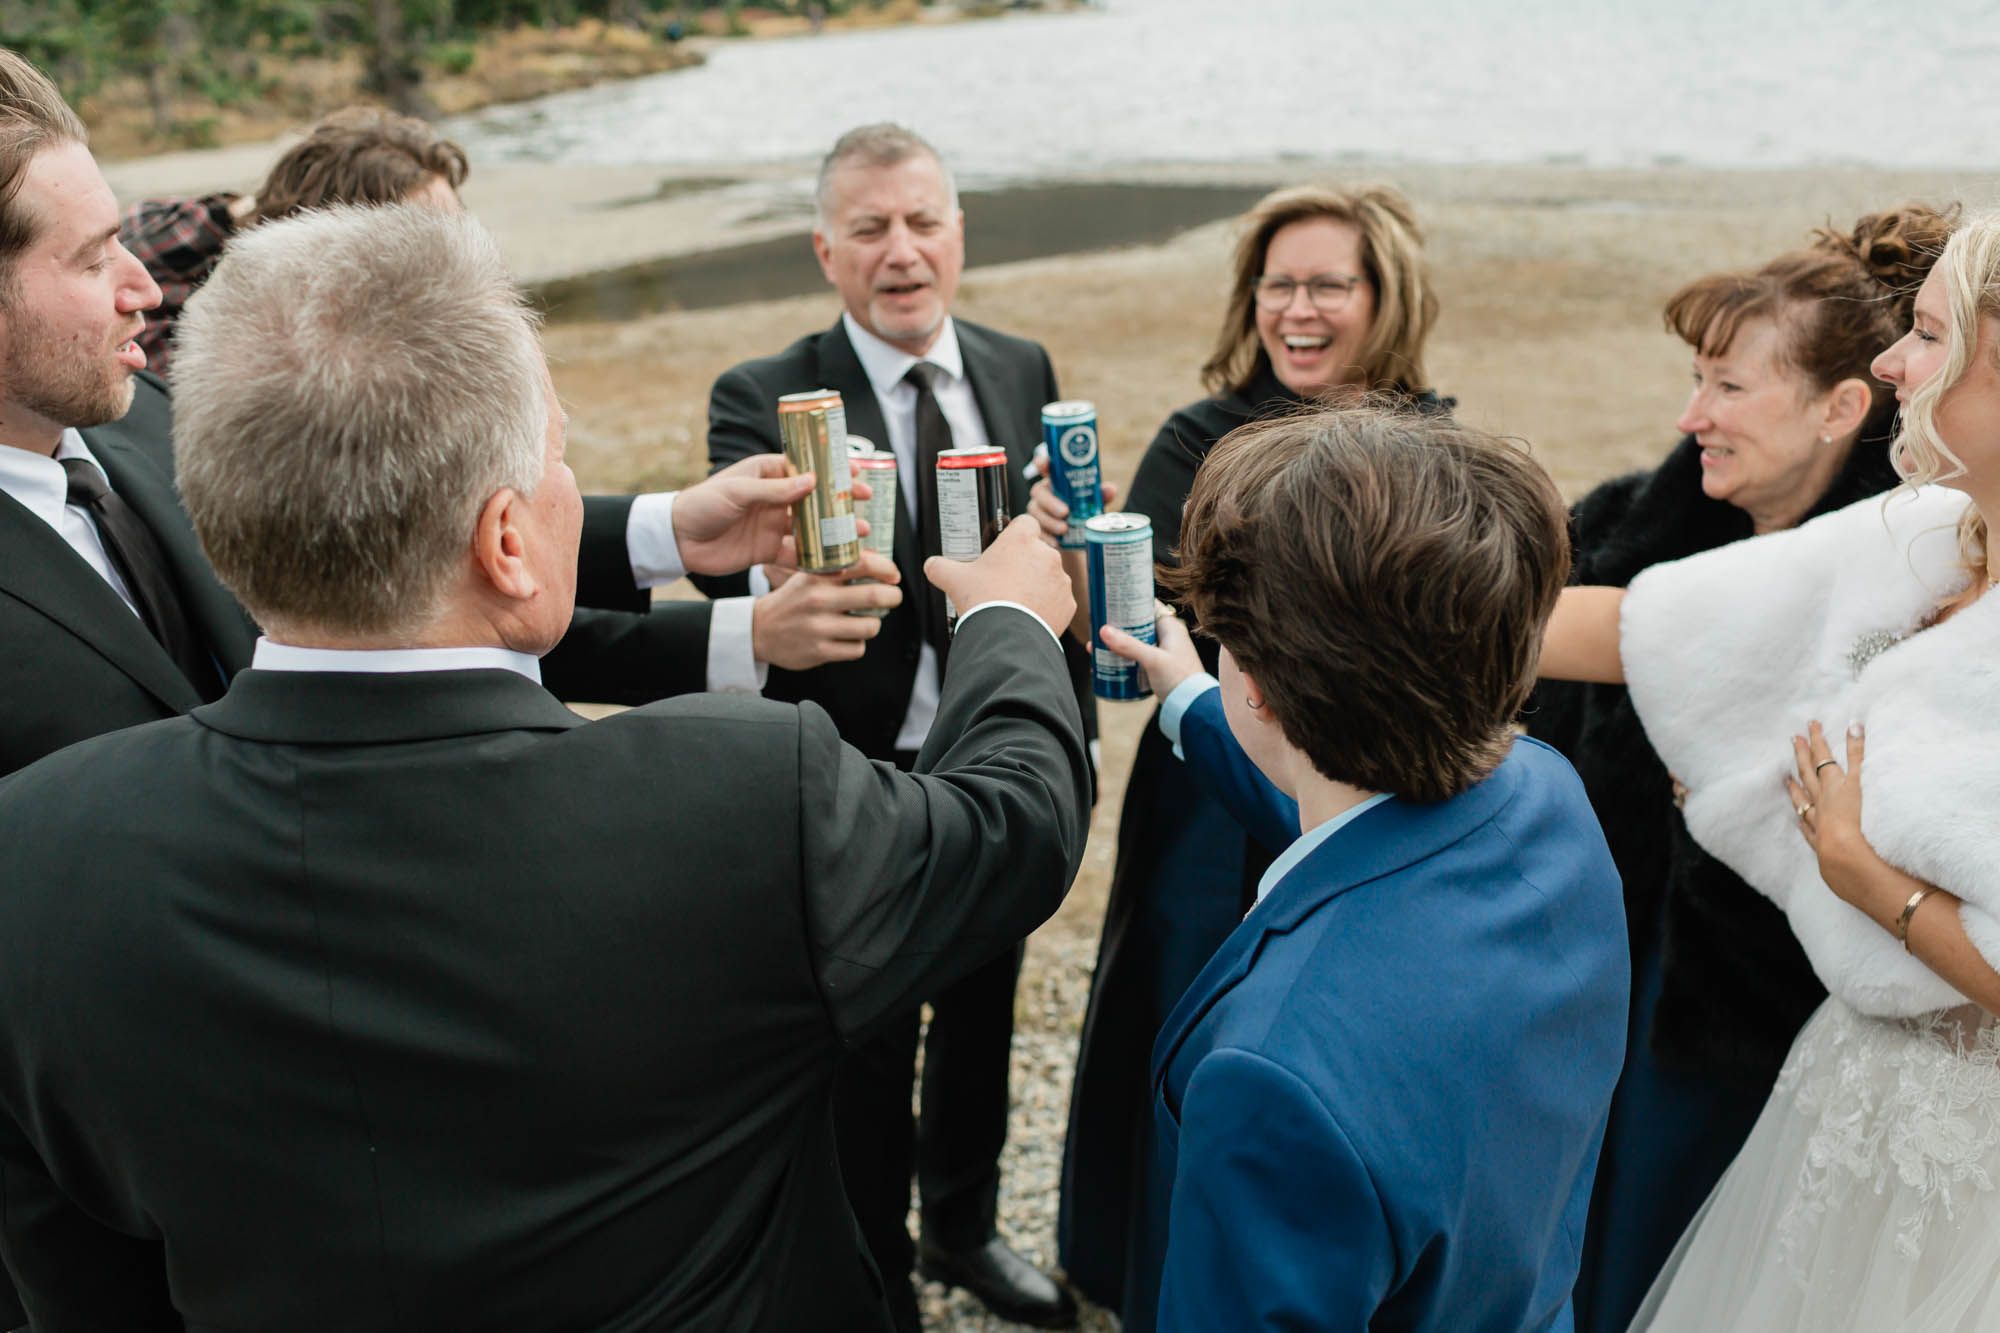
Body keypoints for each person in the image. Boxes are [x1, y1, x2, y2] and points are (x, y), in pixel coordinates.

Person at [0, 201, 1092, 1333]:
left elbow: (74, 1274)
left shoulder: (32, 855)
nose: (571, 489)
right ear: (508, 541)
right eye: (558, 461)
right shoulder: (744, 802)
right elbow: (1013, 826)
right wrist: (1005, 614)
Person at [0, 47, 822, 789]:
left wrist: (671, 528)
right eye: (91, 256)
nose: (141, 287)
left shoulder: (145, 414)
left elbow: (403, 571)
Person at [1538, 212, 2000, 1331]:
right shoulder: (1931, 533)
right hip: (1846, 1098)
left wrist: (1854, 868)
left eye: (1926, 337)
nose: (1889, 363)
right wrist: (1353, 592)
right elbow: (1645, 627)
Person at [1092, 404, 1626, 1330]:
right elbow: (1362, 811)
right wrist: (1186, 695)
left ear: (1255, 684)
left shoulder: (1270, 1078)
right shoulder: (1550, 799)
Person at [692, 123, 1091, 1330]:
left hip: (991, 747)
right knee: (859, 1042)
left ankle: (963, 1231)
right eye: (870, 228)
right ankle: (875, 1265)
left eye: (923, 222)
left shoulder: (1022, 364)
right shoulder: (761, 394)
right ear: (827, 249)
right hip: (841, 770)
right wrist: (787, 586)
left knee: (982, 1012)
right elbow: (729, 591)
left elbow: (1046, 539)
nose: (901, 251)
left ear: (958, 233)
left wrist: (1060, 534)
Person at [1049, 181, 1449, 1328]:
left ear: (1383, 296)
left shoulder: (1429, 442)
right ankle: (1144, 1276)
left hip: (1368, 798)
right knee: (1181, 1028)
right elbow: (1145, 620)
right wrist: (1076, 562)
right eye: (1278, 283)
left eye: (1328, 283)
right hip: (1205, 792)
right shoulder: (1198, 437)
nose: (1299, 308)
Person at [120, 105, 470, 375]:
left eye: (457, 228)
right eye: (423, 238)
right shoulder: (244, 373)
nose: (453, 254)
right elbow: (139, 247)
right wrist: (258, 212)